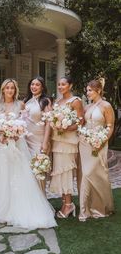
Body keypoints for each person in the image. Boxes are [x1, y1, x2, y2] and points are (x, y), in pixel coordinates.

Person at [0, 78, 57, 229]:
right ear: (2, 89)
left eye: (12, 88)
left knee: (19, 175)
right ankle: (3, 209)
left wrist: (15, 134)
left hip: (18, 144)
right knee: (2, 175)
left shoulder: (21, 104)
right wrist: (2, 135)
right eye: (7, 88)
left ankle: (20, 208)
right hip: (1, 146)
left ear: (15, 90)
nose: (10, 91)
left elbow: (24, 124)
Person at [79, 79, 114, 221]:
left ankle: (100, 207)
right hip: (85, 144)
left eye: (90, 90)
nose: (87, 93)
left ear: (98, 90)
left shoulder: (106, 106)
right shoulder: (87, 107)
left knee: (96, 173)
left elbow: (110, 126)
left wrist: (102, 141)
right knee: (86, 174)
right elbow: (81, 123)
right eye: (87, 91)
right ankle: (85, 209)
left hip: (99, 143)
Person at [50, 76, 84, 218]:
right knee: (59, 171)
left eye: (63, 84)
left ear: (70, 85)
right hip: (57, 141)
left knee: (66, 171)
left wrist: (66, 127)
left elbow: (80, 122)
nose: (60, 87)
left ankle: (69, 204)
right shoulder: (57, 102)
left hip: (68, 142)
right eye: (59, 84)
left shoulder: (75, 101)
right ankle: (65, 202)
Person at [23, 76, 52, 191]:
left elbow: (49, 122)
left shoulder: (45, 101)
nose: (33, 87)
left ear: (42, 87)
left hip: (39, 140)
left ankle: (41, 199)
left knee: (38, 169)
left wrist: (45, 142)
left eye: (37, 85)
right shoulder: (25, 101)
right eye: (32, 84)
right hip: (25, 140)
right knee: (27, 172)